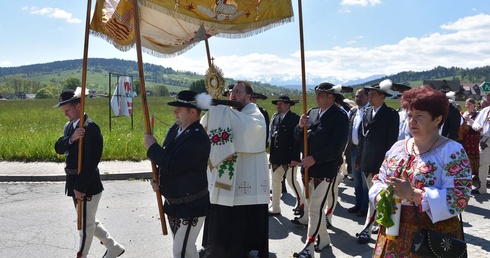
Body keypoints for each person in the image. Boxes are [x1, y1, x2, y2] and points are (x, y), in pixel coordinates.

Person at [370, 85, 471, 257]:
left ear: (437, 119)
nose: (412, 121)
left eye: (419, 116)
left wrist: (413, 195)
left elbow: (459, 198)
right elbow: (379, 179)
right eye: (410, 115)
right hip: (393, 232)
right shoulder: (398, 147)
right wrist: (381, 196)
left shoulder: (452, 151)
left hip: (430, 237)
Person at [200, 81, 269, 258]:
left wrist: (220, 110)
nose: (233, 94)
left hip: (246, 176)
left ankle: (242, 249)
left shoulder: (255, 114)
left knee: (240, 217)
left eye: (238, 92)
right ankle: (216, 247)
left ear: (249, 97)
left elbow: (248, 129)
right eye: (231, 92)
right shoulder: (228, 113)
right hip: (225, 176)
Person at [54, 88, 125, 258]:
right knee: (88, 221)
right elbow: (58, 148)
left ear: (79, 106)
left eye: (68, 110)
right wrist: (72, 139)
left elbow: (92, 162)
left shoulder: (91, 128)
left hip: (87, 184)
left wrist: (81, 186)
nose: (65, 115)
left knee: (84, 226)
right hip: (73, 181)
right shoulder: (69, 127)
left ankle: (82, 255)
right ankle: (113, 247)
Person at [144, 90, 211, 258]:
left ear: (193, 112)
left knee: (180, 251)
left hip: (191, 206)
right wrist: (157, 178)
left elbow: (173, 164)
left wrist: (153, 147)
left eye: (179, 109)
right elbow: (167, 158)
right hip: (174, 204)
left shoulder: (198, 138)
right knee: (187, 250)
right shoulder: (177, 129)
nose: (175, 112)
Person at [292, 82, 348, 256]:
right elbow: (298, 137)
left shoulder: (340, 116)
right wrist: (300, 126)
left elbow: (337, 146)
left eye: (321, 95)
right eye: (316, 94)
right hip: (307, 170)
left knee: (315, 208)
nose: (316, 97)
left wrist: (315, 158)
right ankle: (323, 239)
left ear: (331, 97)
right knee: (312, 206)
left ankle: (309, 247)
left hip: (325, 170)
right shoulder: (312, 113)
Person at [355, 79, 399, 244]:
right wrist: (359, 159)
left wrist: (387, 164)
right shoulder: (367, 113)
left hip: (380, 163)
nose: (370, 97)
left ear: (382, 97)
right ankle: (378, 223)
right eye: (369, 94)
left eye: (373, 95)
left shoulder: (390, 115)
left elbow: (391, 142)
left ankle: (367, 228)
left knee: (376, 196)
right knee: (372, 195)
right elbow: (362, 139)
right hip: (367, 161)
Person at [268, 95, 303, 217]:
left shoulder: (295, 119)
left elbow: (297, 140)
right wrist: (271, 156)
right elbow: (273, 138)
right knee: (275, 183)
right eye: (277, 103)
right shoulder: (275, 118)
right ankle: (276, 207)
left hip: (289, 157)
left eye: (281, 103)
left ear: (288, 105)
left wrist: (295, 158)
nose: (278, 105)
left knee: (292, 181)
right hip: (277, 157)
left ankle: (302, 202)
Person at [346, 88, 370, 216]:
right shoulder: (354, 111)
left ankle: (365, 207)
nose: (358, 99)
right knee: (356, 178)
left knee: (364, 179)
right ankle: (358, 203)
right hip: (353, 148)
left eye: (361, 96)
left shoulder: (369, 112)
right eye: (356, 96)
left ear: (367, 97)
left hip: (365, 150)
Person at [461, 98, 480, 191]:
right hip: (466, 137)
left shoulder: (477, 114)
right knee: (466, 154)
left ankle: (476, 174)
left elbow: (478, 125)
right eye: (466, 104)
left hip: (473, 137)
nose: (467, 106)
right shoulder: (464, 113)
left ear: (474, 105)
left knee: (474, 154)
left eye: (469, 104)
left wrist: (470, 121)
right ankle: (467, 173)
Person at [471, 102, 490, 194]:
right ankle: (482, 188)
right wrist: (477, 126)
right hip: (485, 139)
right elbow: (475, 123)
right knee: (483, 164)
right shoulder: (485, 110)